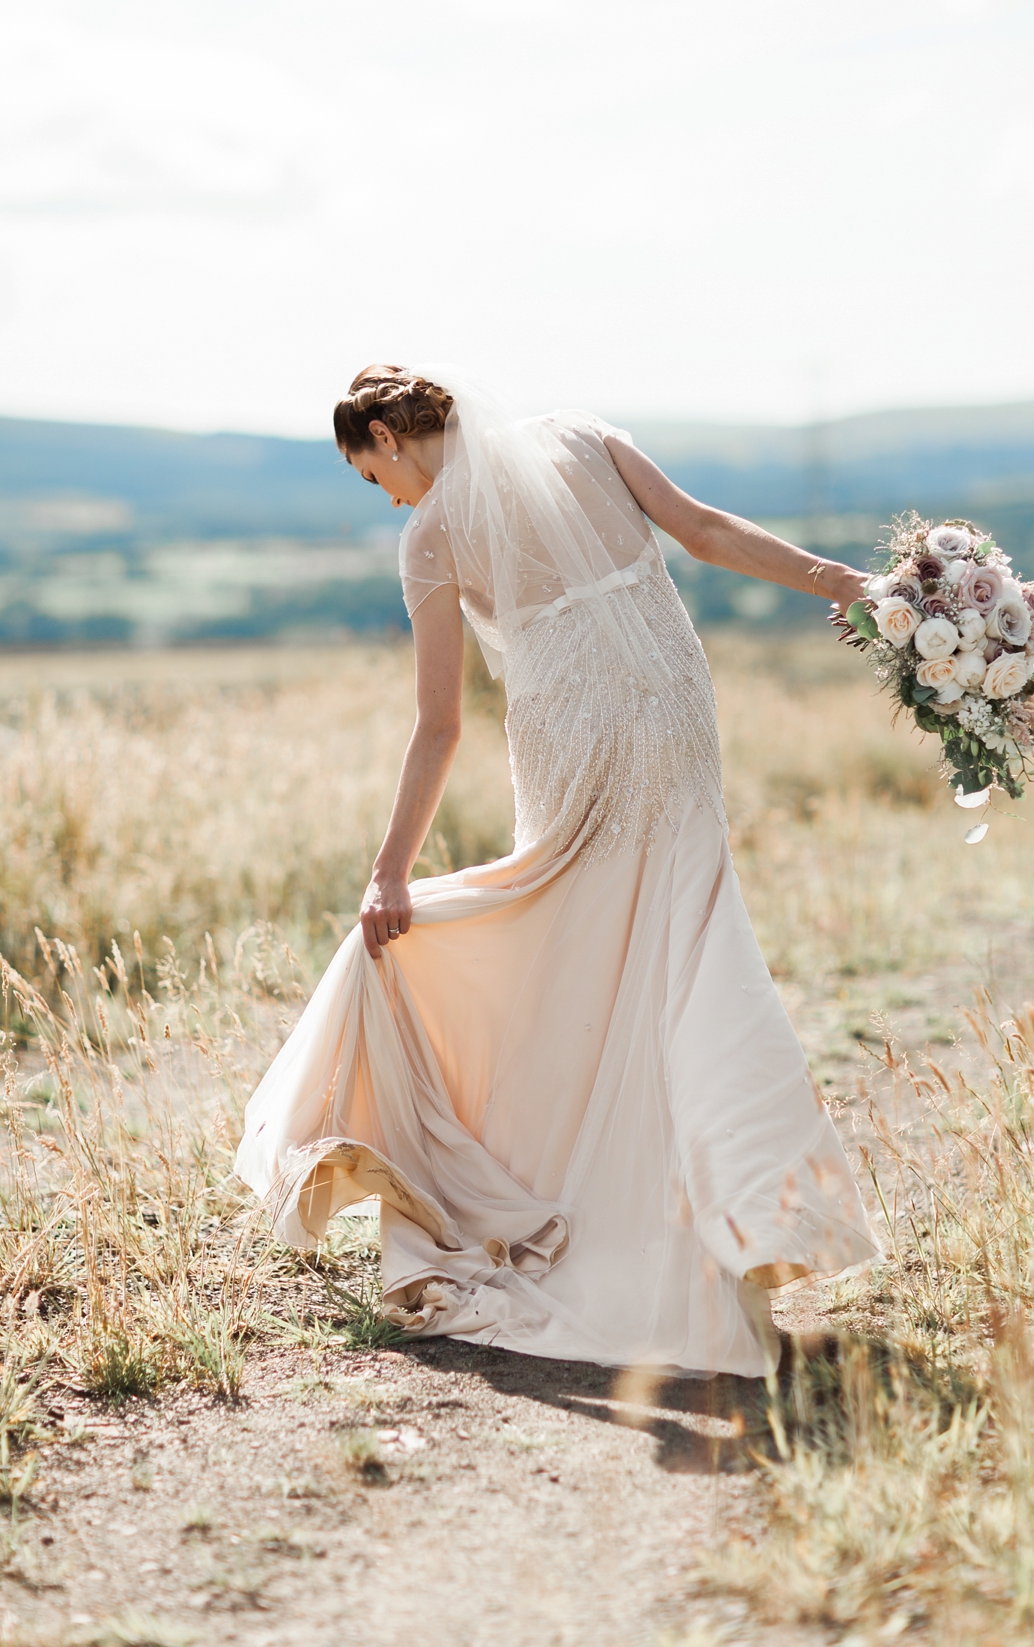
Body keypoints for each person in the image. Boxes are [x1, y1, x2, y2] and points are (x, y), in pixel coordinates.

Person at [235, 365, 878, 1376]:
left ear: (388, 440)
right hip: (675, 719)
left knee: (572, 950)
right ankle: (728, 1214)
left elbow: (439, 724)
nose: (387, 495)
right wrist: (844, 583)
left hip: (578, 750)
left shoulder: (433, 534)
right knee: (676, 945)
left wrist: (390, 874)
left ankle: (620, 1211)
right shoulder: (582, 436)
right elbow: (706, 533)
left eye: (372, 475)